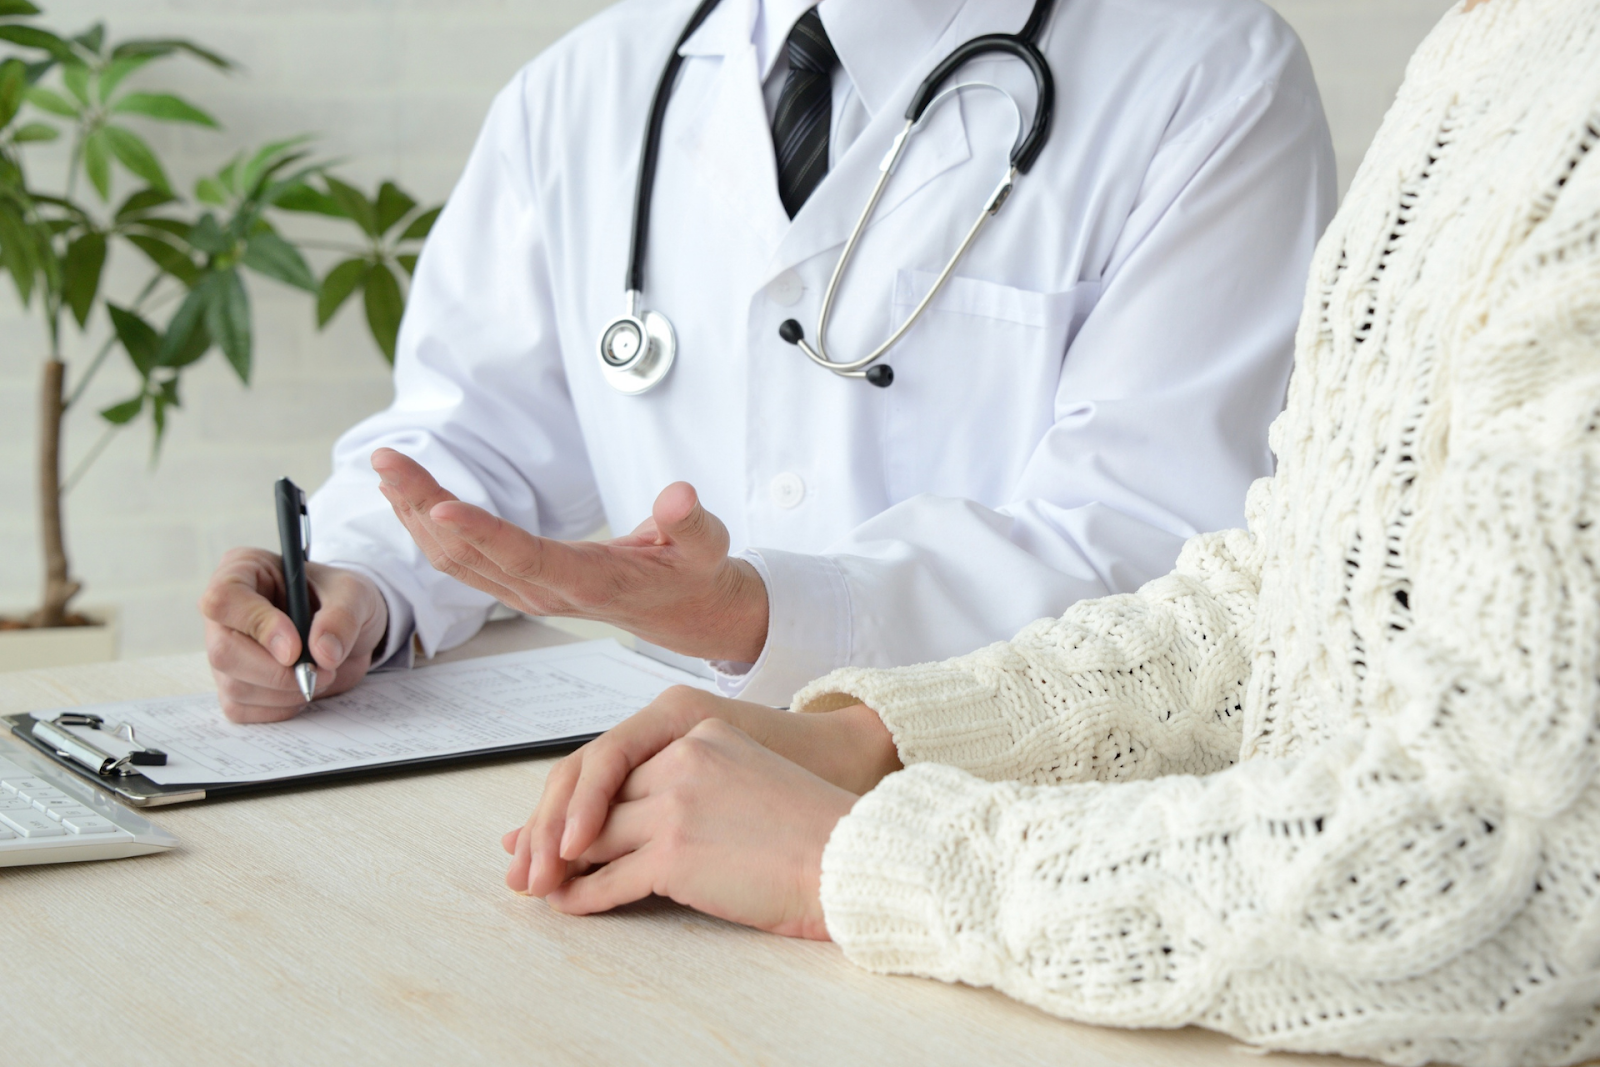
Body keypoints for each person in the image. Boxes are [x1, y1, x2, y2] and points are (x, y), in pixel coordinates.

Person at [503, 0, 1600, 1063]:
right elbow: (1292, 594)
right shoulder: (1488, 43)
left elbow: (1533, 875)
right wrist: (883, 740)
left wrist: (859, 856)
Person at [198, 0, 1334, 721]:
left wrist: (764, 612)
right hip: (643, 792)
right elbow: (467, 439)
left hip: (990, 807)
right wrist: (356, 588)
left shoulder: (1204, 73)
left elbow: (1161, 544)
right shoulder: (587, 87)